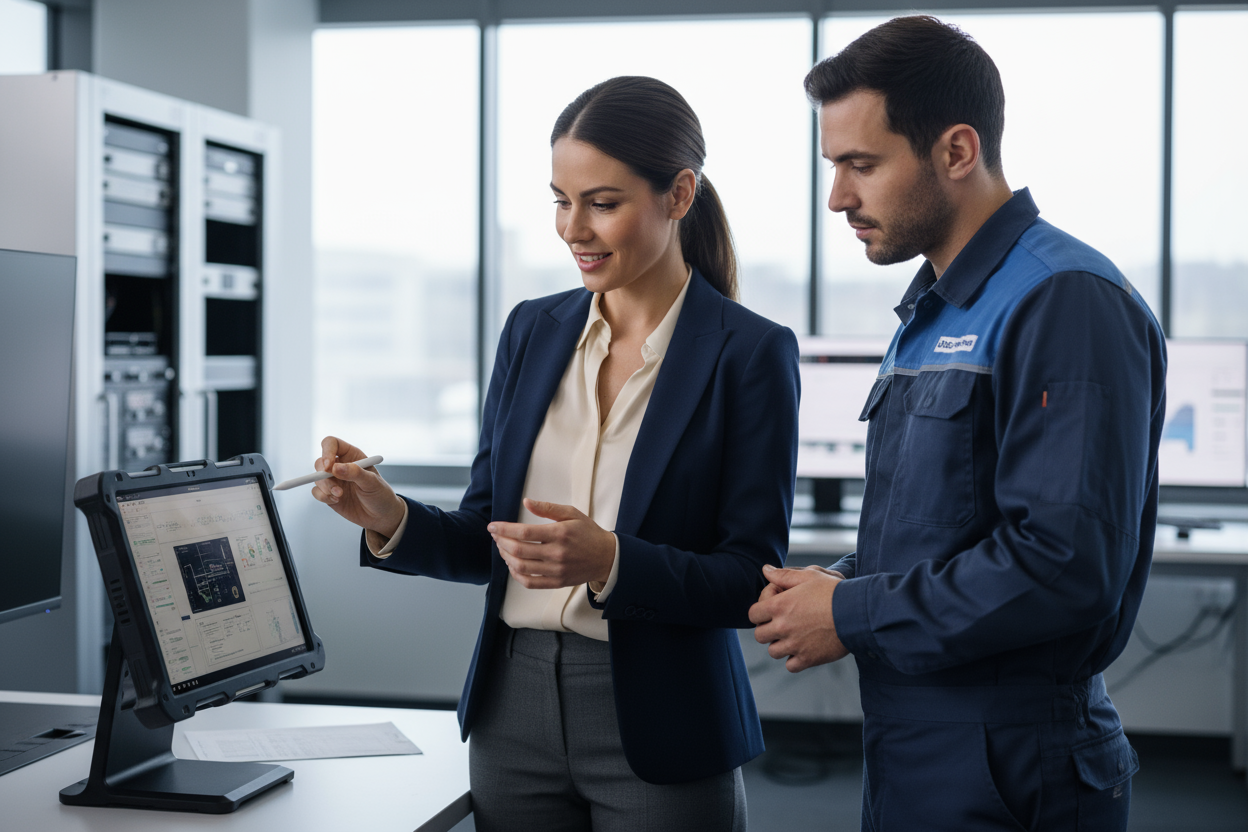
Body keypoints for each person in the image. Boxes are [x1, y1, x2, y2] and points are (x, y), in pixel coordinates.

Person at [313, 76, 799, 832]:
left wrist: (609, 560)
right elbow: (487, 540)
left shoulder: (751, 353)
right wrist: (392, 514)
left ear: (679, 194)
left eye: (603, 203)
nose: (575, 229)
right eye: (560, 201)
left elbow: (748, 580)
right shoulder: (532, 331)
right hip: (514, 709)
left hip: (661, 714)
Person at [748, 16, 1166, 832]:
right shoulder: (933, 310)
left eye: (861, 165)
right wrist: (842, 580)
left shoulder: (1064, 299)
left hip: (1012, 760)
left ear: (957, 151)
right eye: (834, 166)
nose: (837, 197)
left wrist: (853, 614)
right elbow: (942, 524)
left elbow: (1064, 566)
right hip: (914, 742)